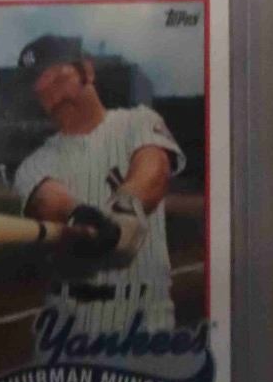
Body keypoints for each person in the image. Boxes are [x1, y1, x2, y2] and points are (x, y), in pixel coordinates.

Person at [12, 33, 184, 348]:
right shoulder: (33, 163)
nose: (51, 94)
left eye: (57, 78)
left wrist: (126, 207)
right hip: (65, 329)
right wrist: (78, 214)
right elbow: (46, 199)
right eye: (40, 89)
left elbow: (154, 167)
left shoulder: (137, 121)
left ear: (87, 72)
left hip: (145, 325)